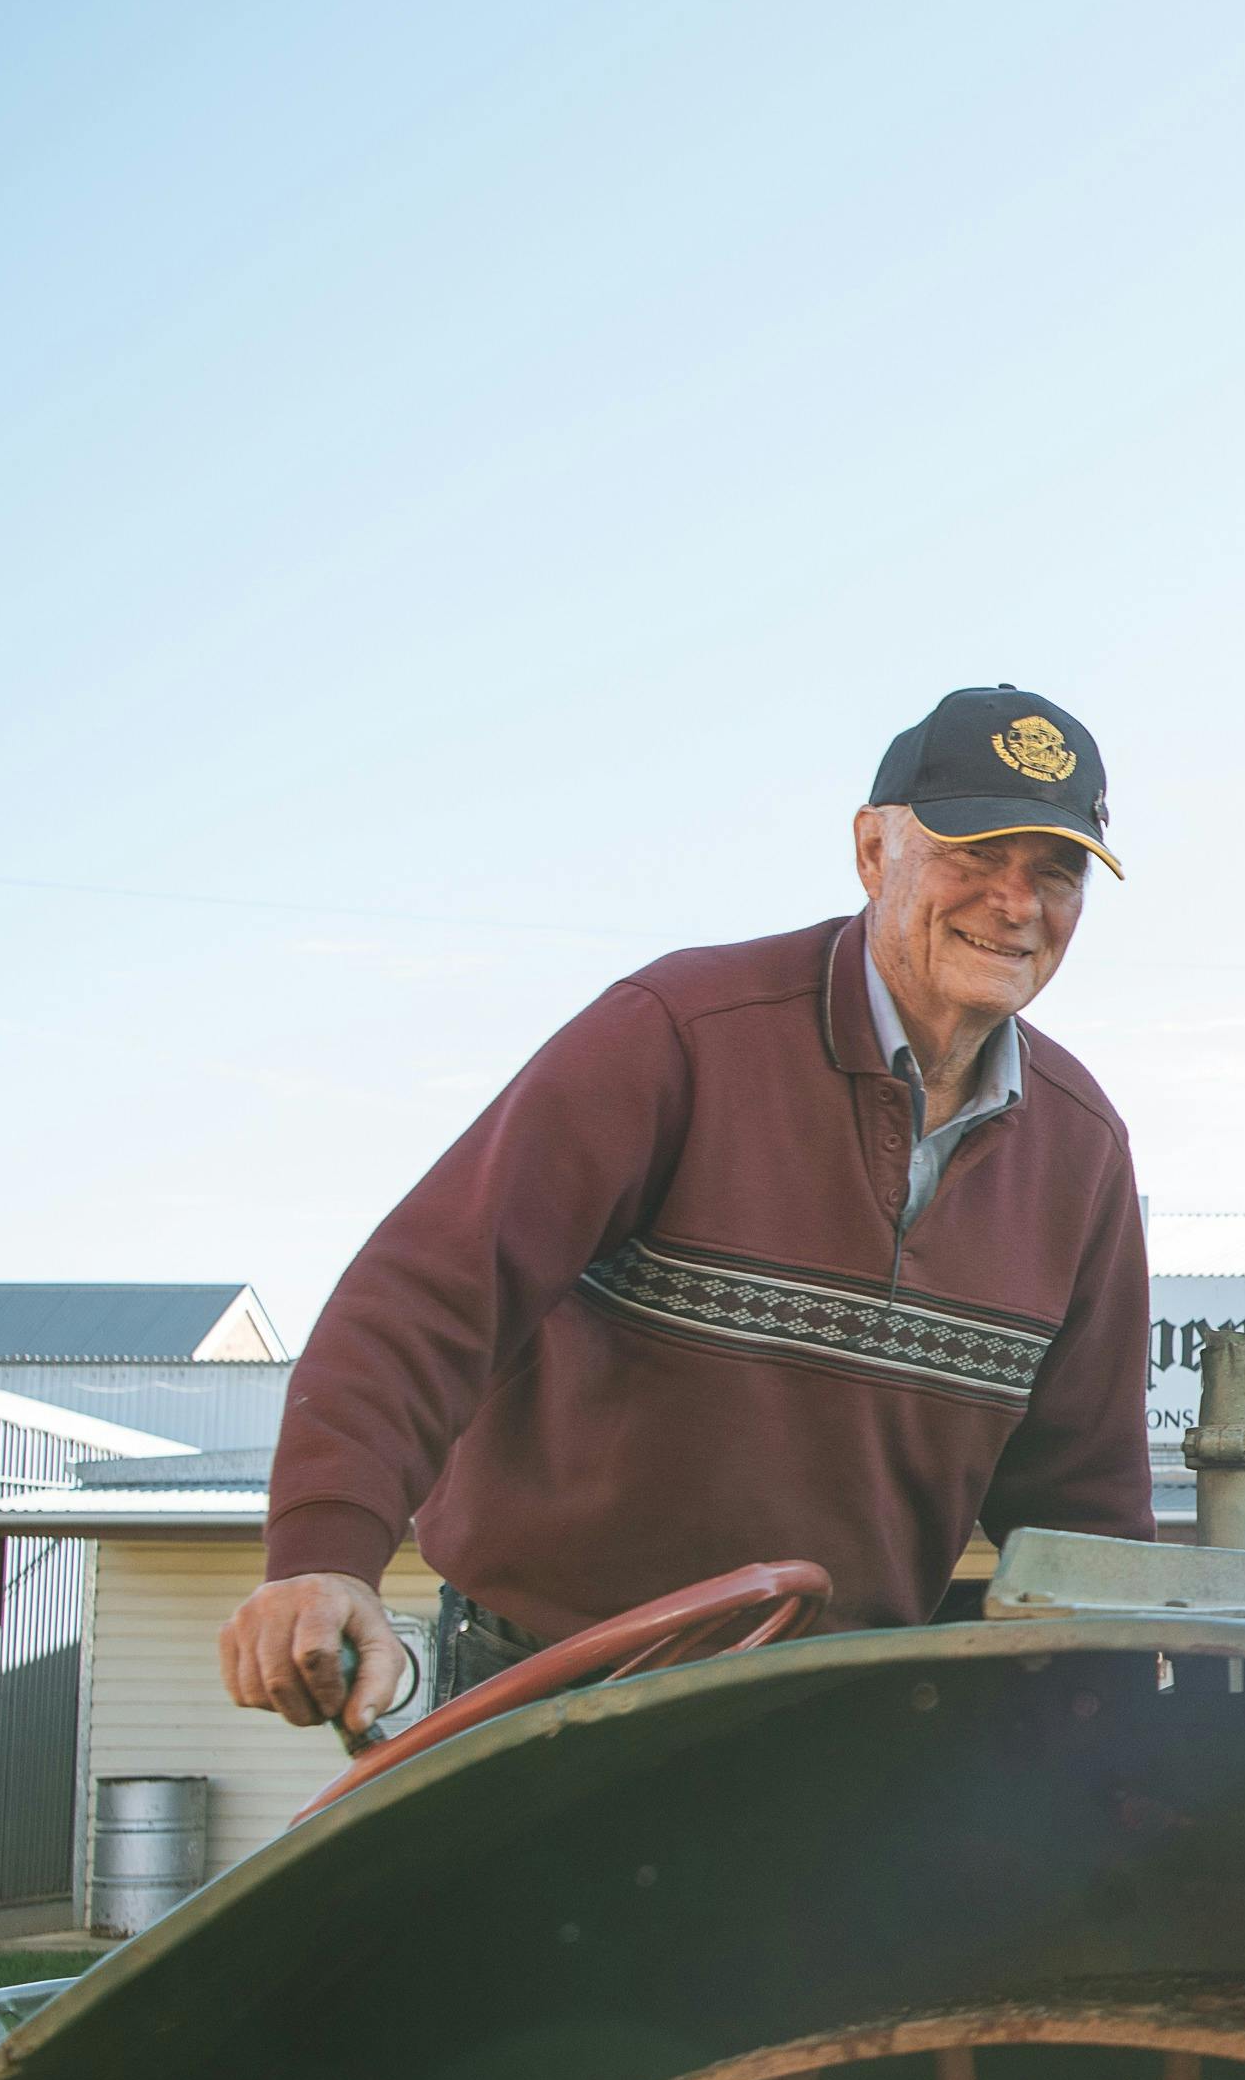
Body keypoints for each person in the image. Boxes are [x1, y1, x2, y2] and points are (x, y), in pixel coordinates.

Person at [224, 683, 1152, 1735]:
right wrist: (323, 1555)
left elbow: (1085, 1503)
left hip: (834, 1713)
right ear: (872, 851)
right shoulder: (681, 1032)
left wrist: (1117, 1752)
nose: (1016, 902)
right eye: (974, 854)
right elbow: (433, 1293)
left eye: (1057, 870)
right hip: (553, 1683)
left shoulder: (1084, 1149)